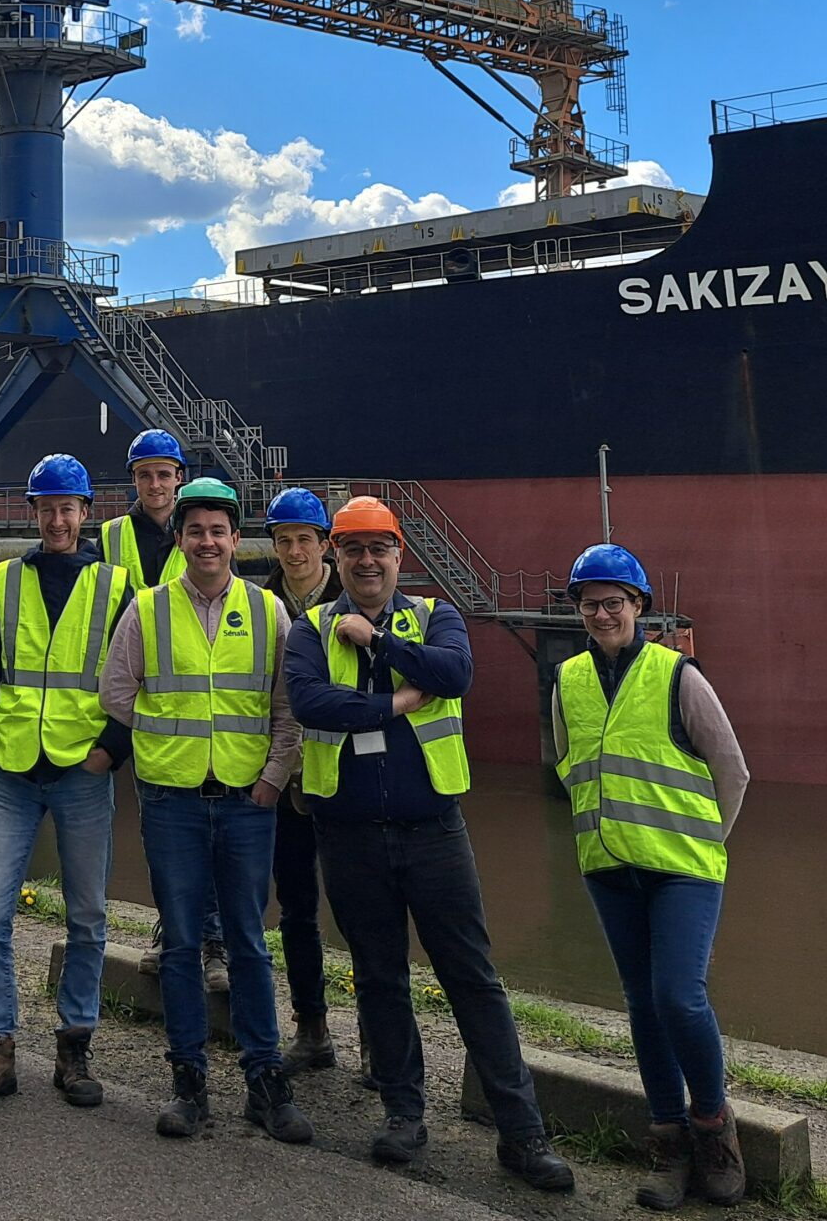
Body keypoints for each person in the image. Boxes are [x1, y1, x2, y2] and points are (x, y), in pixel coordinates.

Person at [285, 495, 574, 1193]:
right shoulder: (309, 630)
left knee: (473, 979)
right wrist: (390, 703)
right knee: (380, 979)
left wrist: (378, 643)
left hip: (434, 832)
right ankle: (403, 1116)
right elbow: (310, 704)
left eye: (377, 548)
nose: (366, 560)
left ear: (398, 555)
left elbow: (454, 675)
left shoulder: (434, 615)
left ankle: (522, 1132)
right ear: (335, 556)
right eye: (352, 549)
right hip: (349, 834)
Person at [100, 478, 313, 1145]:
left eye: (219, 530)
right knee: (184, 944)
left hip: (249, 805)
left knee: (248, 942)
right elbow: (115, 693)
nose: (207, 541)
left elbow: (289, 709)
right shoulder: (148, 609)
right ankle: (188, 1083)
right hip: (172, 805)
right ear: (182, 539)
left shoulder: (269, 612)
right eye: (195, 530)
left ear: (234, 539)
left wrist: (274, 778)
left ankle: (263, 1082)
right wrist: (168, 748)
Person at [553, 544, 750, 1210]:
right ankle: (667, 1142)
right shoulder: (568, 680)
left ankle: (715, 1130)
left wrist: (706, 845)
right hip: (610, 868)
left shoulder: (678, 677)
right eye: (590, 603)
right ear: (577, 610)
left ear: (639, 606)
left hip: (683, 872)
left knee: (679, 998)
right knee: (641, 1002)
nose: (602, 612)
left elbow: (733, 769)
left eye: (615, 601)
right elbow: (566, 763)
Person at [0, 452, 134, 1117]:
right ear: (32, 513)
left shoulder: (117, 588)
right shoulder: (3, 581)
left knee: (87, 917)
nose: (57, 519)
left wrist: (110, 751)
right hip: (9, 774)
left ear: (87, 514)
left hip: (82, 775)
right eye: (46, 508)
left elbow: (134, 681)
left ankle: (74, 1045)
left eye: (68, 508)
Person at [98, 428, 226, 996]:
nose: (156, 484)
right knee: (161, 830)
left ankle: (212, 939)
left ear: (179, 477)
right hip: (138, 703)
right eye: (145, 474)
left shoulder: (197, 535)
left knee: (211, 827)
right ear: (135, 479)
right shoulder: (109, 538)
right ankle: (172, 929)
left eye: (164, 474)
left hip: (192, 704)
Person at [261, 486, 338, 1074]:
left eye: (303, 540)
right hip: (286, 783)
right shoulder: (258, 603)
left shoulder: (356, 599)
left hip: (347, 780)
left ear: (324, 544)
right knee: (296, 910)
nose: (293, 551)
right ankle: (312, 1029)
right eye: (284, 540)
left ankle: (378, 1040)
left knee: (366, 911)